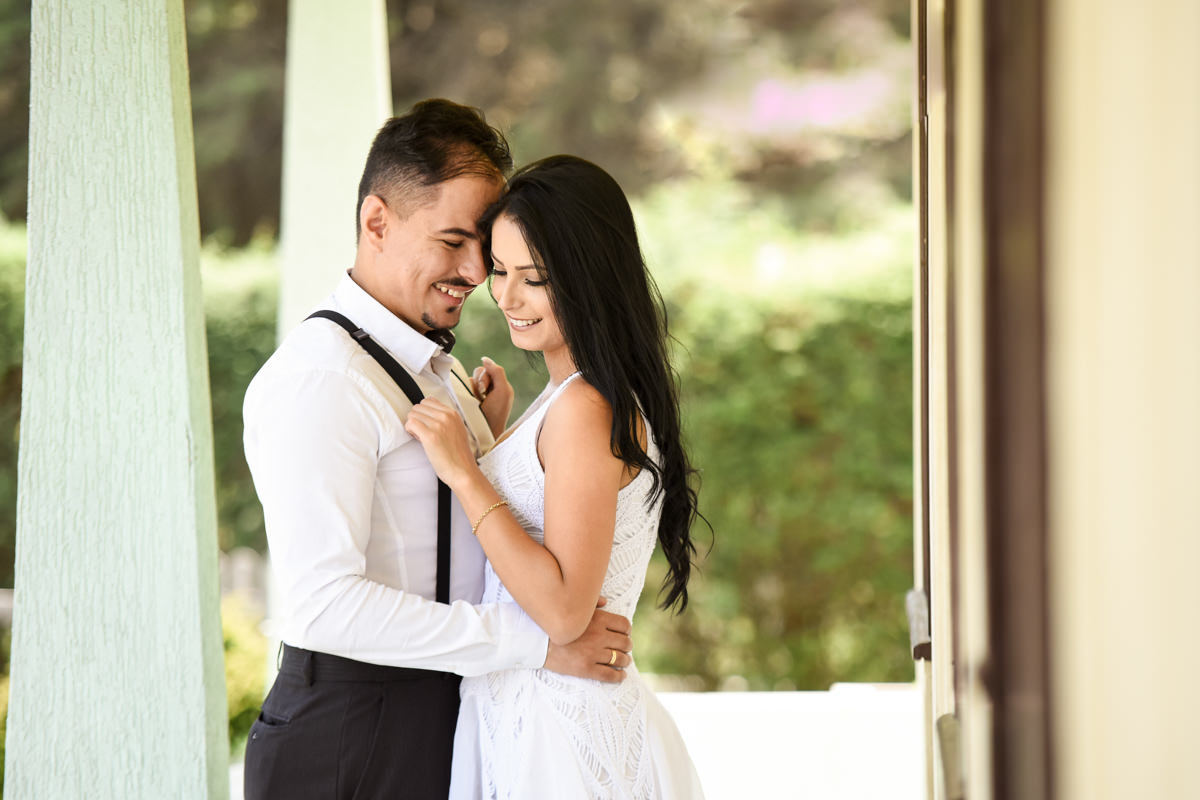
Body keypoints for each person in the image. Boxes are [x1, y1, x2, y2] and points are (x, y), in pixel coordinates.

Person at [241, 101, 634, 799]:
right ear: (375, 221)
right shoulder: (324, 380)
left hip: (438, 715)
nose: (477, 270)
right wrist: (535, 643)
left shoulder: (436, 369)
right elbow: (323, 605)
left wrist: (492, 442)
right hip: (351, 735)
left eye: (483, 245)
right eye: (453, 241)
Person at [404, 154, 707, 799]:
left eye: (534, 279)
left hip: (563, 733)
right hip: (538, 715)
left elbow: (566, 610)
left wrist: (466, 472)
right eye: (501, 273)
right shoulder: (572, 396)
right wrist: (495, 439)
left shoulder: (586, 408)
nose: (508, 299)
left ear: (587, 277)